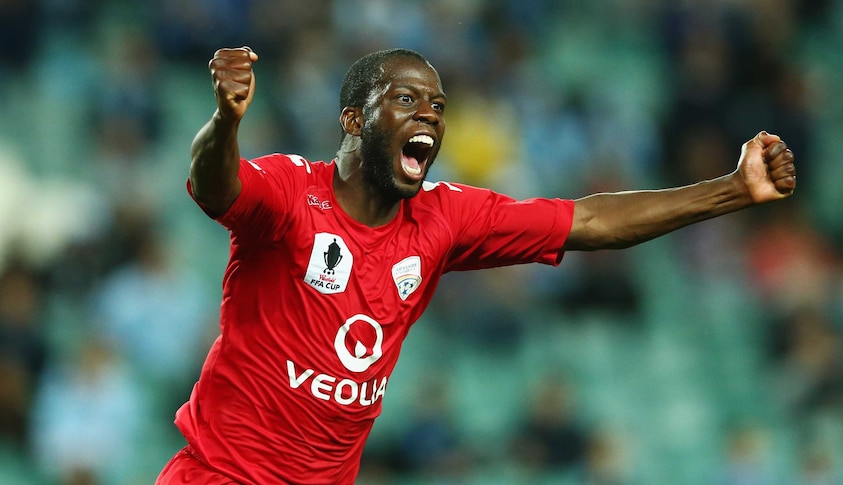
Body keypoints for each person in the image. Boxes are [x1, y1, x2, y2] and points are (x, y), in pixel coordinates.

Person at [156, 46, 796, 484]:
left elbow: (590, 221)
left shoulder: (444, 217)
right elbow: (215, 186)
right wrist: (225, 122)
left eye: (437, 107)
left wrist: (732, 191)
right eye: (406, 99)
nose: (428, 116)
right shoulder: (293, 193)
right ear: (353, 118)